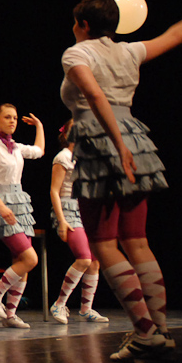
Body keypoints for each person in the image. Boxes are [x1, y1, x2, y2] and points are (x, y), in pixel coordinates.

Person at [61, 0, 182, 360]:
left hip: (105, 144)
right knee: (136, 240)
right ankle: (160, 331)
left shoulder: (77, 52)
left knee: (104, 244)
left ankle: (144, 331)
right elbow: (175, 34)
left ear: (83, 24)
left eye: (75, 22)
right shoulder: (128, 51)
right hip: (135, 139)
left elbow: (95, 96)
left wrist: (117, 144)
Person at [0, 104, 45, 329]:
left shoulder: (15, 146)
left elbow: (39, 151)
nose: (12, 121)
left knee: (21, 262)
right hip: (1, 202)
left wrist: (39, 126)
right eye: (7, 117)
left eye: (14, 118)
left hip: (20, 204)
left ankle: (10, 314)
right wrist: (1, 206)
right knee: (30, 259)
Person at [48, 121, 107, 324]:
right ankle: (59, 304)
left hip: (84, 209)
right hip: (67, 209)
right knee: (84, 258)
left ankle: (86, 308)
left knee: (95, 260)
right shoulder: (63, 157)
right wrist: (61, 220)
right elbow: (54, 191)